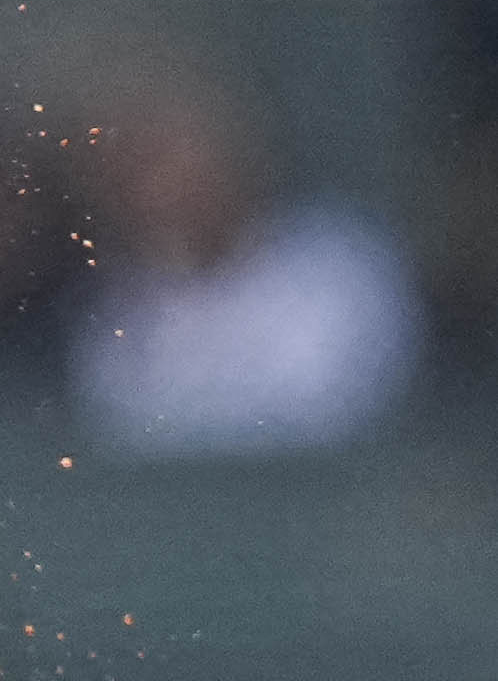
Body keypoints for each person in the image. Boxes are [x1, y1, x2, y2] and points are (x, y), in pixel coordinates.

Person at [70, 85, 420, 461]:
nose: (162, 185)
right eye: (138, 166)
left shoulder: (338, 266)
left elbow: (335, 415)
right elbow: (123, 431)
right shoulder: (113, 302)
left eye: (177, 156)